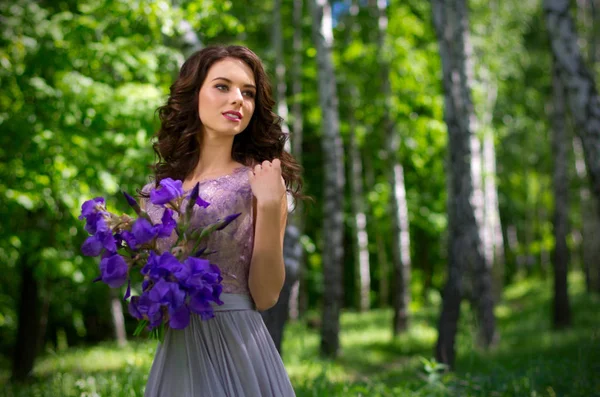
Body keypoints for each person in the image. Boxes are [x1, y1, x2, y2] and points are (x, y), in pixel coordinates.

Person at [140, 45, 302, 397]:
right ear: (193, 94)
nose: (238, 100)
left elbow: (266, 294)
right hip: (178, 348)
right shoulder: (153, 192)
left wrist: (272, 204)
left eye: (248, 93)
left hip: (239, 347)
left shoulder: (260, 182)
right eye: (222, 86)